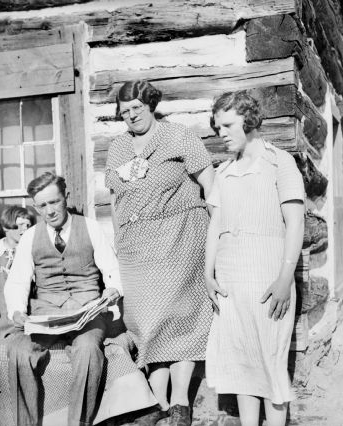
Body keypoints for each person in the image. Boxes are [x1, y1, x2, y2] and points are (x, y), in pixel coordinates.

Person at [104, 80, 215, 425]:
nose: (131, 115)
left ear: (150, 104)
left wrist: (220, 230)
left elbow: (209, 183)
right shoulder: (118, 146)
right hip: (136, 246)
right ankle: (156, 402)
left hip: (180, 236)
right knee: (146, 323)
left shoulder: (178, 135)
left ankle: (179, 402)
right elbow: (113, 198)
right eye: (124, 112)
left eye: (136, 107)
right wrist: (117, 236)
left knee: (179, 318)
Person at [204, 91, 304, 426]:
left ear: (248, 120)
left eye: (228, 125)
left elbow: (295, 224)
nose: (222, 133)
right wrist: (208, 274)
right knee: (243, 365)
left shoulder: (280, 162)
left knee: (270, 363)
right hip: (231, 281)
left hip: (268, 279)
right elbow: (215, 225)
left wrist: (284, 279)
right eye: (218, 128)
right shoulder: (224, 172)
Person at [0, 172, 123, 426]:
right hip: (46, 314)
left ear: (65, 197)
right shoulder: (31, 236)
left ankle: (79, 423)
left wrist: (113, 289)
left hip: (87, 311)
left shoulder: (89, 227)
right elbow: (18, 281)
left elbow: (111, 268)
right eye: (42, 205)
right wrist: (17, 312)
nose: (50, 211)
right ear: (35, 207)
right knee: (20, 350)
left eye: (54, 202)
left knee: (88, 350)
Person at [0, 205, 33, 341]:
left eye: (28, 225)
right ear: (6, 228)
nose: (25, 229)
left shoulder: (29, 250)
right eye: (20, 225)